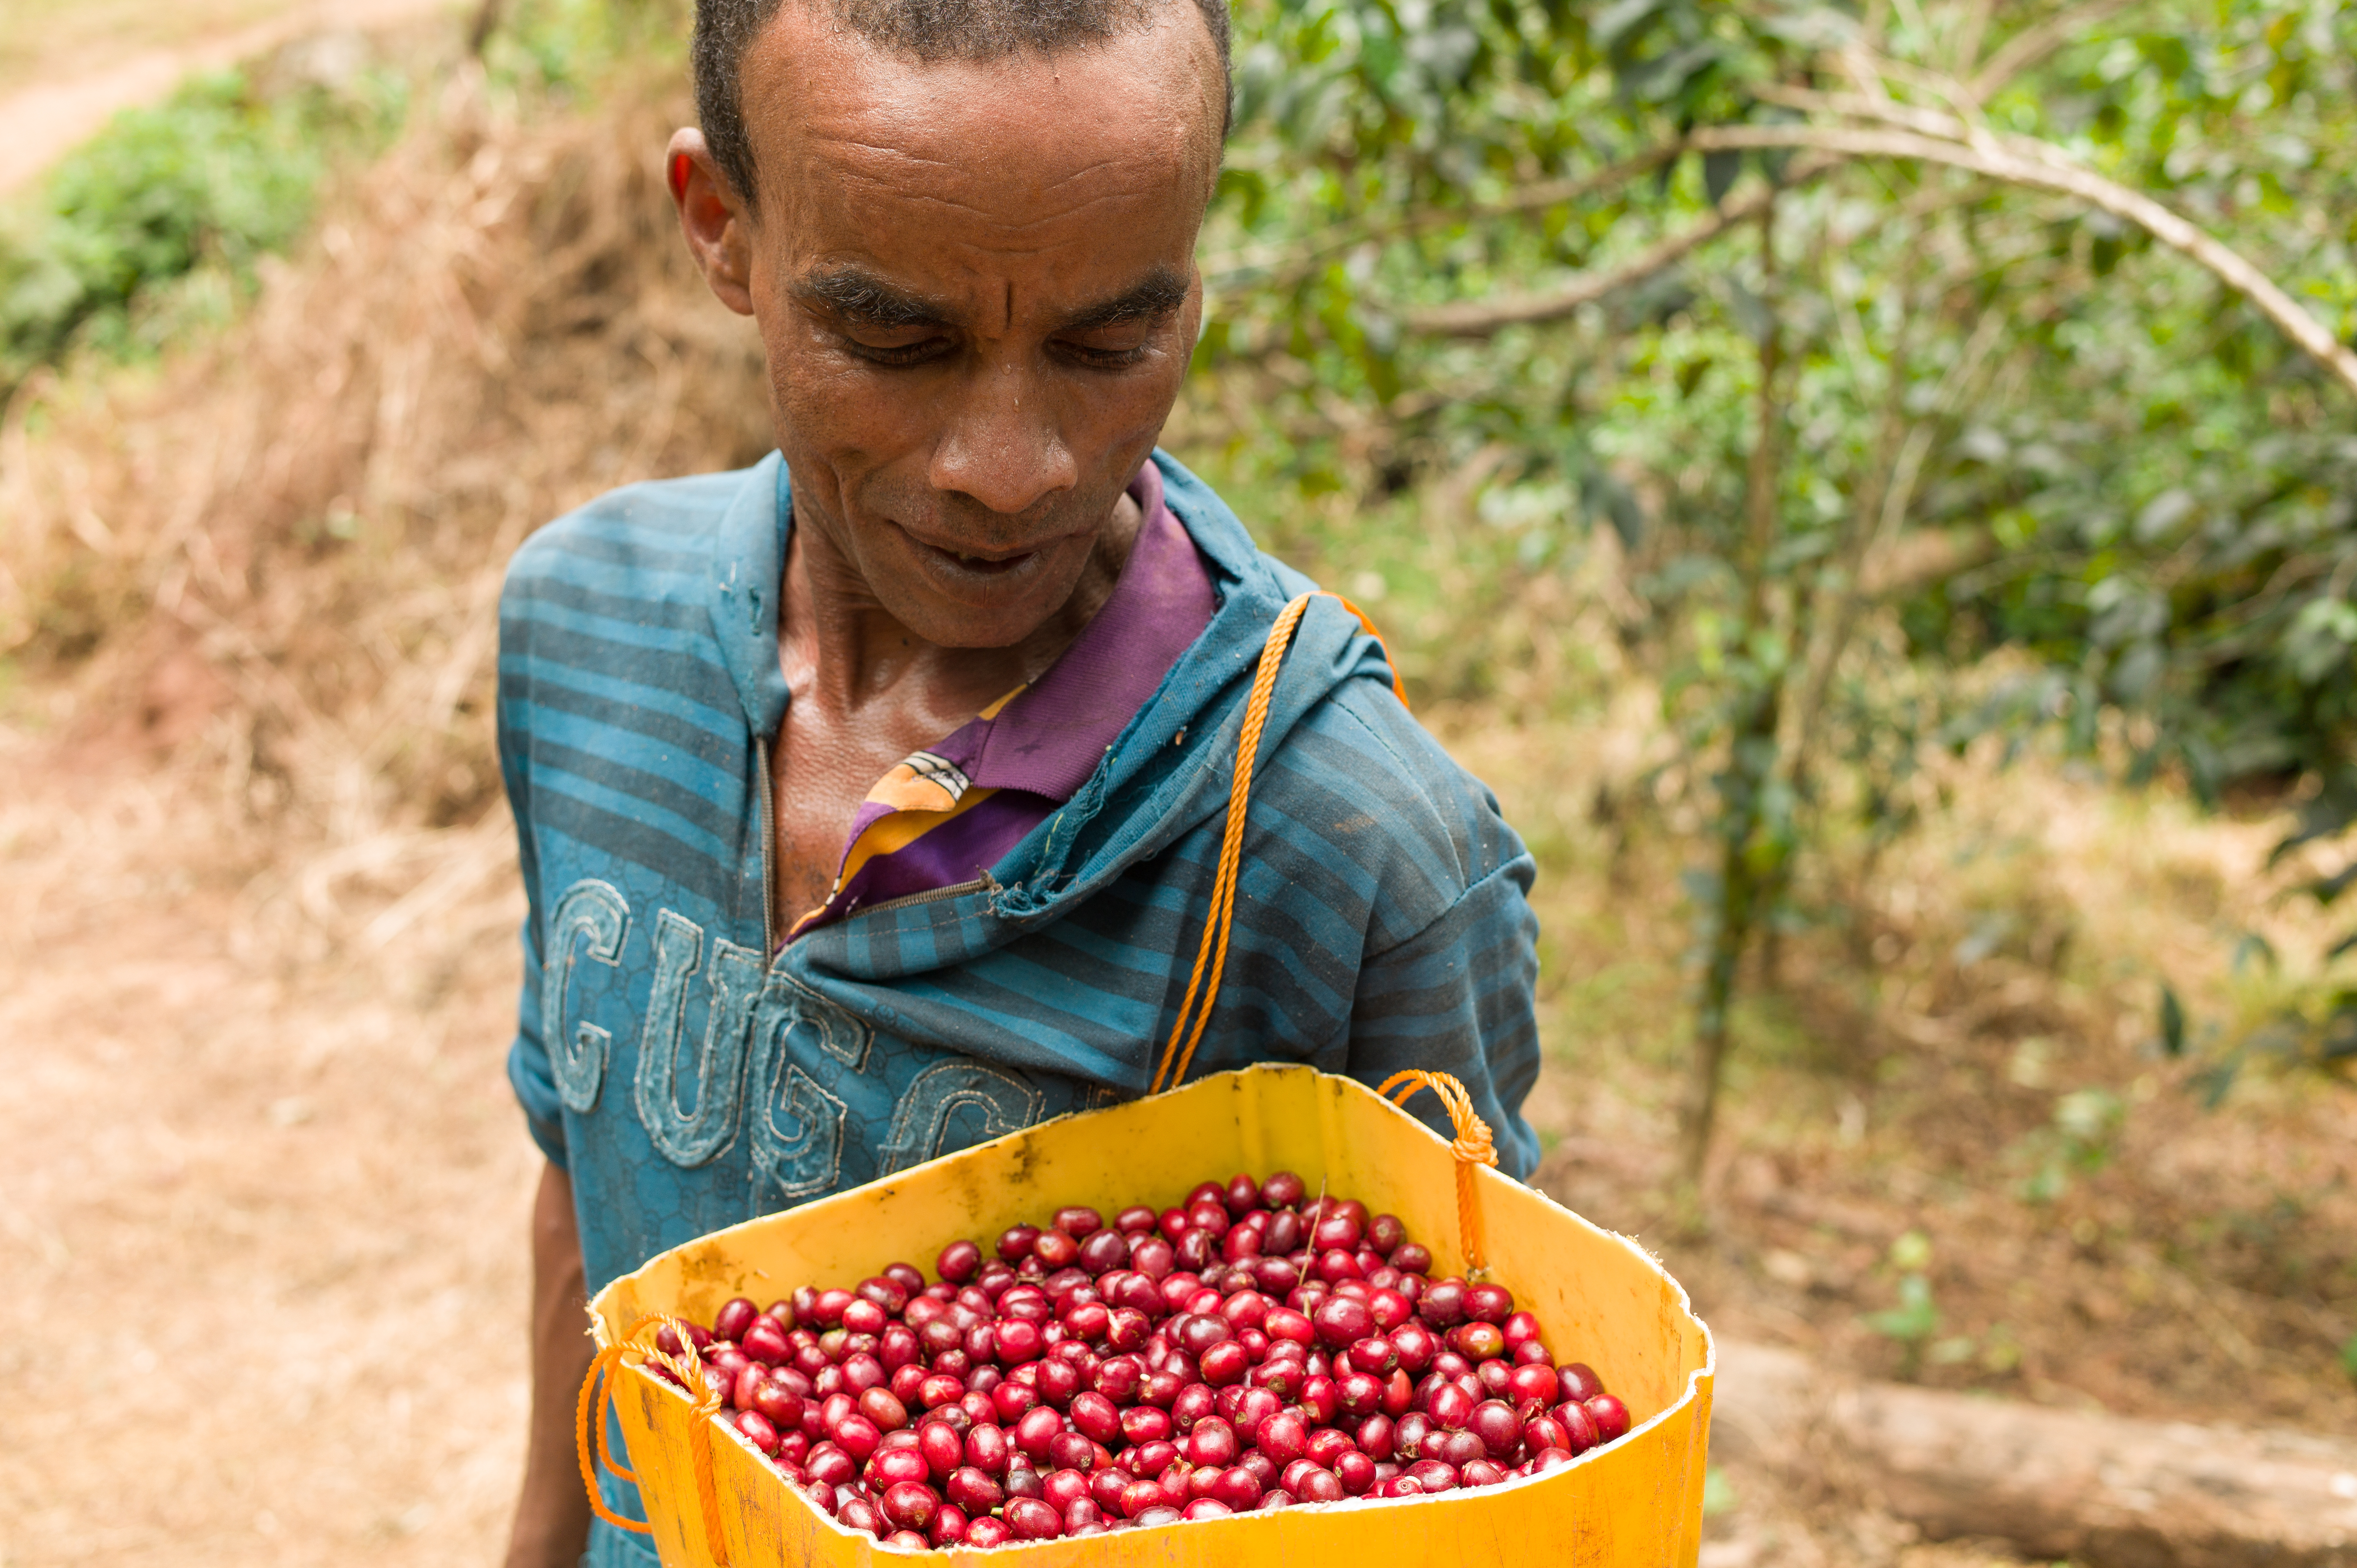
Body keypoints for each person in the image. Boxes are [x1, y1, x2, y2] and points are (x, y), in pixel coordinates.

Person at [497, 0, 1543, 1562]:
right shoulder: (586, 627)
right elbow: (591, 1189)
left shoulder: (1351, 853)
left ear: (1187, 269)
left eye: (1109, 340)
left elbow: (1461, 1446)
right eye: (895, 340)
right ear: (723, 231)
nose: (1012, 464)